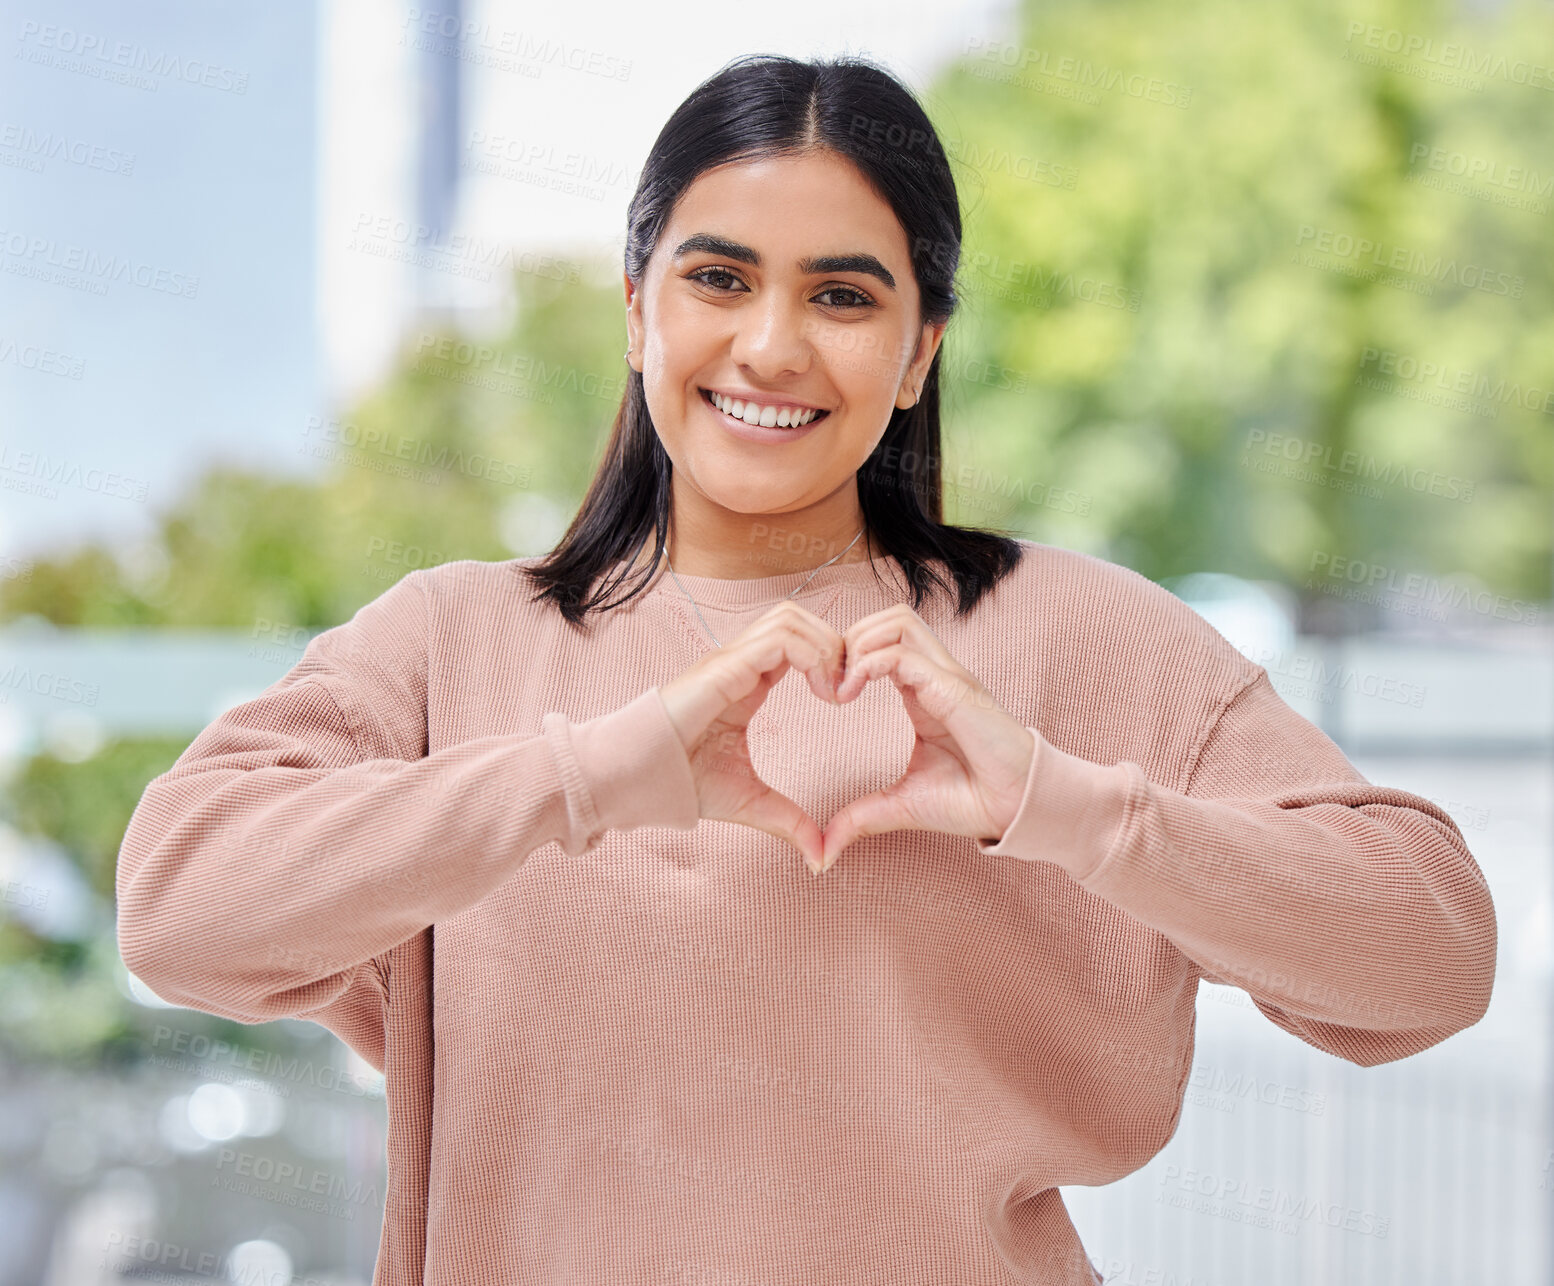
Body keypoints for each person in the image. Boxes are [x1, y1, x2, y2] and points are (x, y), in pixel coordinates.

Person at [115, 52, 1497, 1286]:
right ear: (636, 309)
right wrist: (591, 774)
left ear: (919, 352)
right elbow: (179, 908)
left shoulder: (1080, 637)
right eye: (716, 277)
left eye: (842, 294)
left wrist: (1062, 805)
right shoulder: (448, 641)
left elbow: (1431, 955)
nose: (769, 344)